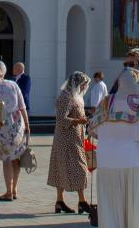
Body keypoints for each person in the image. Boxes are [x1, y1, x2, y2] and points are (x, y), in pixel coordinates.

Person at [93, 65, 139, 228]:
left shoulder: (104, 103)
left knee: (110, 207)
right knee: (132, 207)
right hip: (131, 161)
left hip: (106, 161)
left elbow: (93, 131)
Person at [48, 71, 90, 214]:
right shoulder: (65, 97)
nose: (85, 88)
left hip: (75, 139)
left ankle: (61, 202)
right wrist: (79, 121)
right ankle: (81, 201)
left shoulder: (75, 96)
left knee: (67, 168)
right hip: (66, 140)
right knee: (77, 169)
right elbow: (61, 119)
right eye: (83, 85)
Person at [0, 61, 29, 202]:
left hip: (1, 124)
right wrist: (28, 125)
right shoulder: (13, 84)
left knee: (6, 158)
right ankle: (14, 189)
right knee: (16, 156)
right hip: (17, 122)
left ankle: (8, 191)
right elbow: (22, 106)